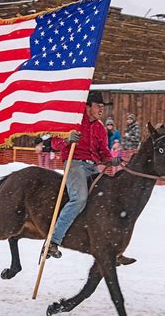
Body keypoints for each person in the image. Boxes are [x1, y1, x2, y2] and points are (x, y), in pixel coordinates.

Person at [47, 91, 122, 258]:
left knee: (108, 199)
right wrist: (67, 139)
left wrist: (112, 160)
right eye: (98, 106)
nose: (102, 109)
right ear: (88, 107)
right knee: (79, 198)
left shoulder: (101, 128)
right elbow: (54, 143)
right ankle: (53, 240)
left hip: (93, 167)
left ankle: (111, 247)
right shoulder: (73, 120)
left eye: (103, 107)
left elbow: (103, 152)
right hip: (74, 163)